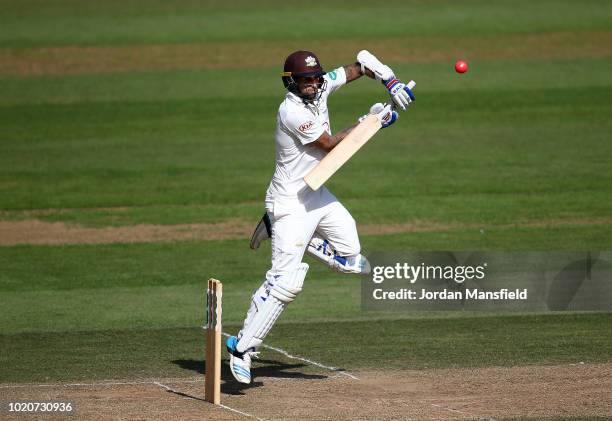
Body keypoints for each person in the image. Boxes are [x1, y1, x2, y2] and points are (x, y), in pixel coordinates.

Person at [226, 50, 415, 384]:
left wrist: (390, 81)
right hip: (289, 202)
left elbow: (359, 66)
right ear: (292, 83)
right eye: (305, 80)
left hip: (314, 192)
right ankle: (242, 349)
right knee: (286, 282)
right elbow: (328, 145)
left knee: (353, 257)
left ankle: (305, 239)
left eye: (315, 78)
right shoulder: (291, 110)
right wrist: (372, 122)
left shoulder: (322, 85)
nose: (313, 84)